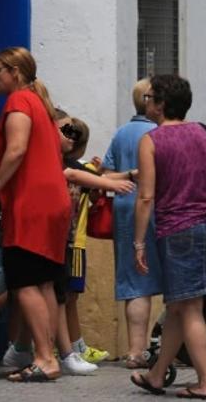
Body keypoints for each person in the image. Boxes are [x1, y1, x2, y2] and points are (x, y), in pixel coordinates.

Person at [0, 47, 71, 383]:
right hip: (52, 201)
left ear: (15, 72)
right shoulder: (38, 103)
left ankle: (44, 358)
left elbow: (16, 150)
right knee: (42, 281)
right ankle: (48, 356)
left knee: (24, 282)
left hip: (32, 204)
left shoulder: (18, 102)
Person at [129, 74, 206, 400]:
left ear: (162, 104)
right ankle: (156, 375)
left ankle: (205, 383)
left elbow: (145, 197)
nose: (147, 102)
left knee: (190, 309)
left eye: (150, 97)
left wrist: (138, 242)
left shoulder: (151, 141)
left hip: (177, 231)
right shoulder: (202, 133)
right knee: (179, 307)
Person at [54, 115, 134, 374]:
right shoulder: (66, 168)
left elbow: (91, 175)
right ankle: (72, 347)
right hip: (69, 242)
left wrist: (115, 175)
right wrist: (124, 177)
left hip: (74, 242)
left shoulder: (81, 168)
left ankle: (73, 346)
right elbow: (84, 176)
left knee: (69, 297)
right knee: (66, 297)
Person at [103, 78, 162, 369]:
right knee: (157, 281)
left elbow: (105, 175)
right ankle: (152, 350)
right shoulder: (159, 132)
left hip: (124, 209)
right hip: (156, 208)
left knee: (134, 282)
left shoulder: (121, 133)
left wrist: (129, 175)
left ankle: (135, 350)